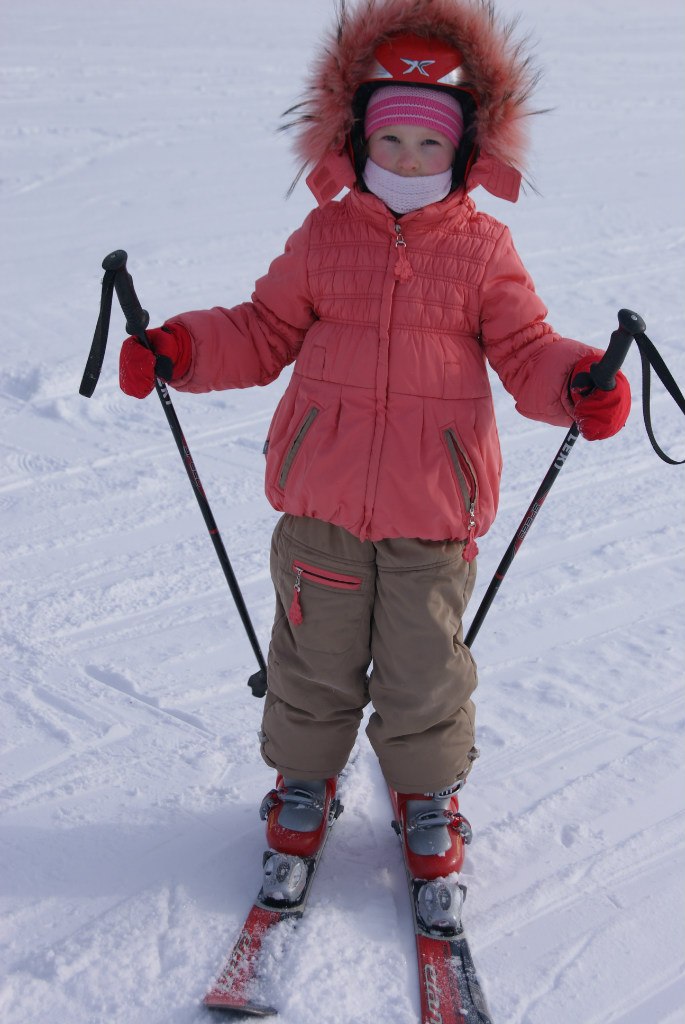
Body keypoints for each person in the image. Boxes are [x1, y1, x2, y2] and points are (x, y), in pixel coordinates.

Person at [119, 0, 630, 894]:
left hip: (434, 507)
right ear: (356, 138)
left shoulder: (482, 250)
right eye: (390, 139)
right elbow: (263, 327)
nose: (407, 160)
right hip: (319, 502)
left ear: (466, 150)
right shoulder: (325, 237)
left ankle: (425, 792)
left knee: (425, 669)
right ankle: (303, 781)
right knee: (311, 661)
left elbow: (523, 349)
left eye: (430, 144)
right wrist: (184, 349)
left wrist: (578, 382)